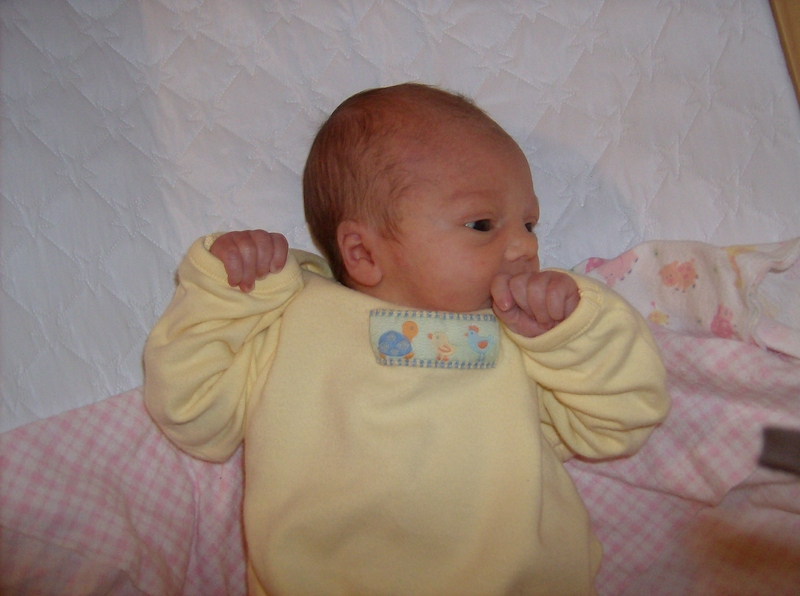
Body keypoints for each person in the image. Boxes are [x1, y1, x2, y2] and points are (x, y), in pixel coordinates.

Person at [144, 83, 669, 595]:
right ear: (362, 253)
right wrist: (227, 292)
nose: (524, 247)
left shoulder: (524, 335)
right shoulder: (292, 317)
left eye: (529, 224)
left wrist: (569, 333)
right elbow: (194, 416)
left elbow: (620, 421)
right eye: (482, 224)